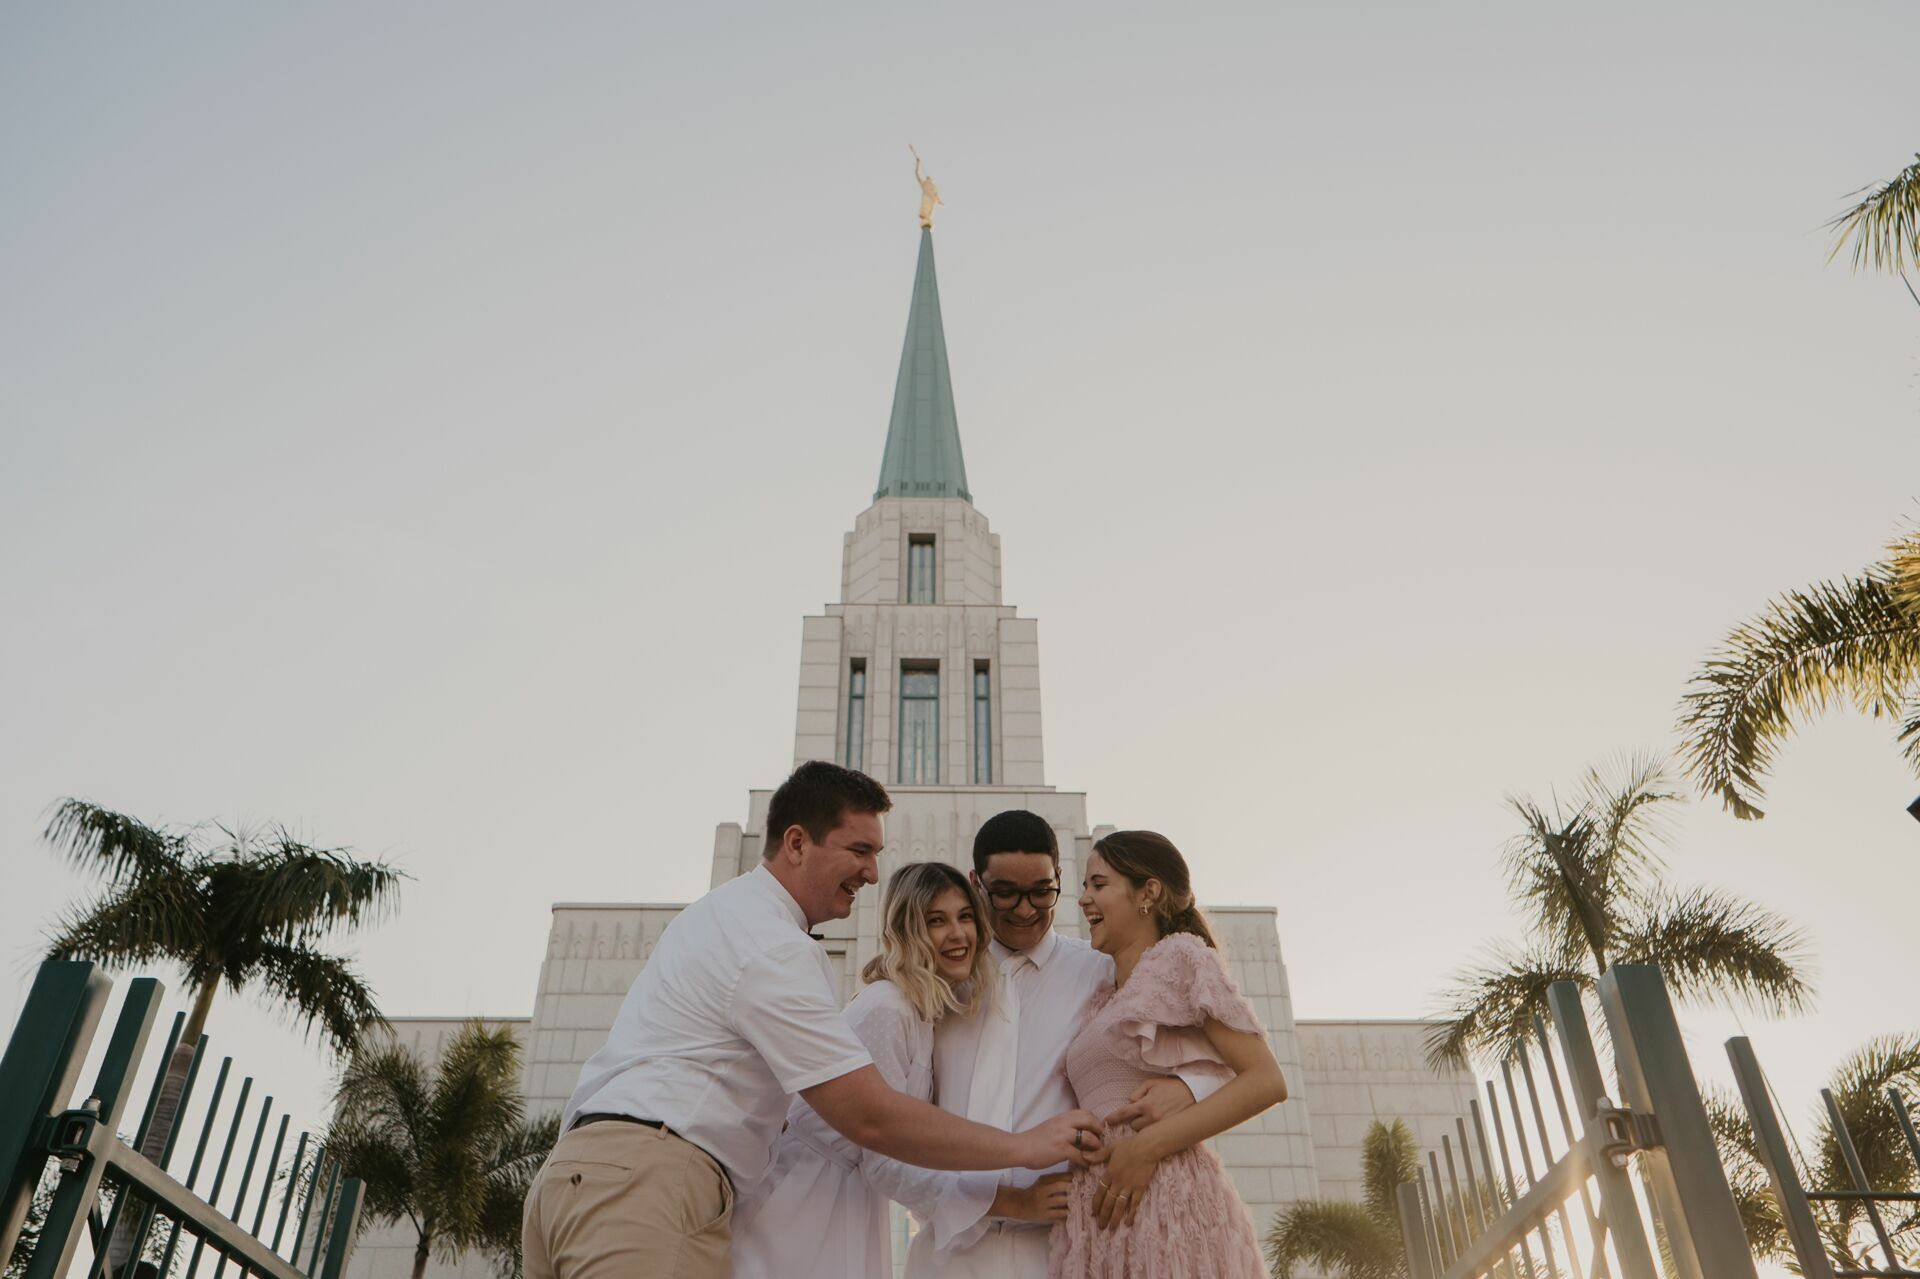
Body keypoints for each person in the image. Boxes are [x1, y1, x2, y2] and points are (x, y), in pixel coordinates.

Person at [520, 763, 1106, 1279]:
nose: (872, 873)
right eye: (859, 851)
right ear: (797, 843)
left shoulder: (728, 915)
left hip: (589, 1175)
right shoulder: (787, 953)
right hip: (661, 1184)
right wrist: (1023, 1151)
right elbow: (870, 1118)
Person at [900, 811, 1222, 1279]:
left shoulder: (1101, 971)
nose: (1026, 909)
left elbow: (1223, 1060)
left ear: (1059, 879)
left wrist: (1188, 1088)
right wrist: (1000, 1201)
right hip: (946, 1251)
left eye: (1041, 892)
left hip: (1062, 1248)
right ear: (976, 883)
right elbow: (898, 1132)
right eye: (1006, 893)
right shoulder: (935, 980)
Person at [731, 861, 995, 1279]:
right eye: (936, 921)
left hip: (850, 1195)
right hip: (804, 1194)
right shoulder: (888, 1007)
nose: (958, 933)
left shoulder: (920, 1012)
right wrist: (997, 1203)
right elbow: (882, 1156)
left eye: (965, 916)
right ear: (907, 931)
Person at [1049, 830, 1289, 1279]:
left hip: (1163, 1202)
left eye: (1098, 885)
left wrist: (1145, 1149)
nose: (1083, 899)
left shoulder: (1180, 958)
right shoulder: (1103, 997)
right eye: (1084, 886)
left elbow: (1266, 1080)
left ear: (1148, 892)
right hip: (1099, 1216)